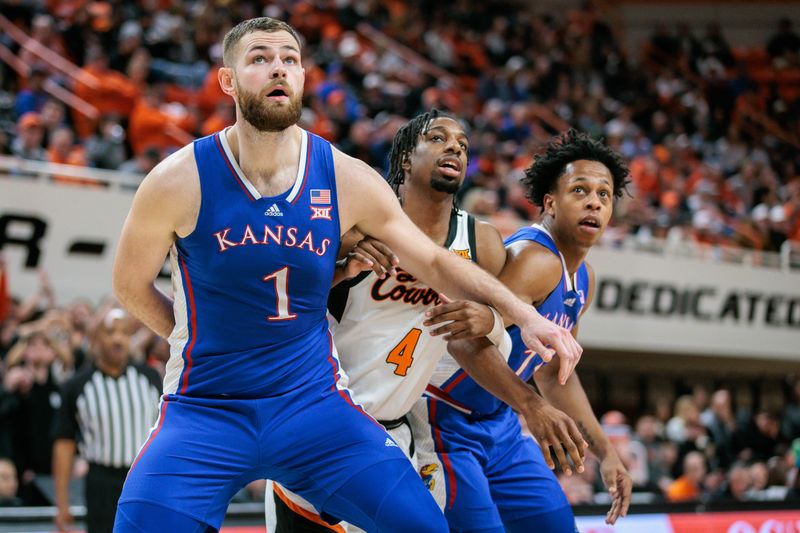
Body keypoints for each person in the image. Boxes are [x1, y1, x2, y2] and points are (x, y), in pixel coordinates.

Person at [111, 18, 580, 533]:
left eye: (289, 59)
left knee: (426, 527)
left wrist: (523, 315)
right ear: (228, 81)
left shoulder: (342, 174)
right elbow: (130, 288)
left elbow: (438, 261)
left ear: (304, 76)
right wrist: (188, 338)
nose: (278, 69)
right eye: (260, 58)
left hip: (312, 407)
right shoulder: (178, 179)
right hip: (205, 408)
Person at [268, 110, 587, 532]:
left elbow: (484, 337)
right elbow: (279, 301)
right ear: (405, 159)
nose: (454, 146)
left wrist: (492, 322)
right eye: (437, 138)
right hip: (320, 420)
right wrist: (340, 269)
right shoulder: (357, 226)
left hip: (394, 431)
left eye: (462, 144)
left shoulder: (482, 244)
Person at [408, 130, 634, 530]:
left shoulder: (583, 278)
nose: (594, 202)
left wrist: (606, 452)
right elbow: (462, 339)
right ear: (550, 202)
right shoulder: (535, 258)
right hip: (446, 421)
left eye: (604, 194)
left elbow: (552, 373)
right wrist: (531, 406)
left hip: (501, 425)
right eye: (579, 190)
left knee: (555, 524)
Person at [52, 309, 162, 533]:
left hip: (144, 478)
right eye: (110, 332)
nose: (118, 339)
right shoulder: (77, 386)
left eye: (124, 333)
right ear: (95, 337)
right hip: (101, 481)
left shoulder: (150, 378)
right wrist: (62, 504)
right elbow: (64, 444)